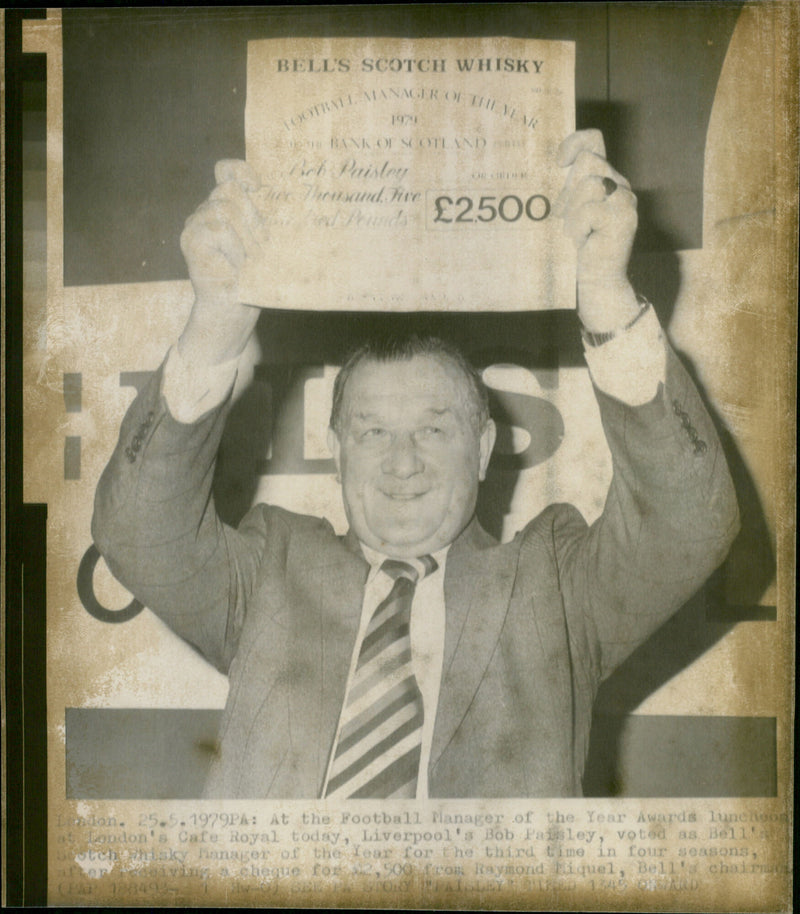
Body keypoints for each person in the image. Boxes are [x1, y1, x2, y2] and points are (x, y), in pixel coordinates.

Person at [92, 130, 739, 798]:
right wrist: (217, 319)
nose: (402, 462)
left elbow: (690, 524)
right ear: (338, 450)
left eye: (435, 429)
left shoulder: (555, 583)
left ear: (484, 448)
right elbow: (138, 533)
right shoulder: (269, 569)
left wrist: (605, 294)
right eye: (372, 431)